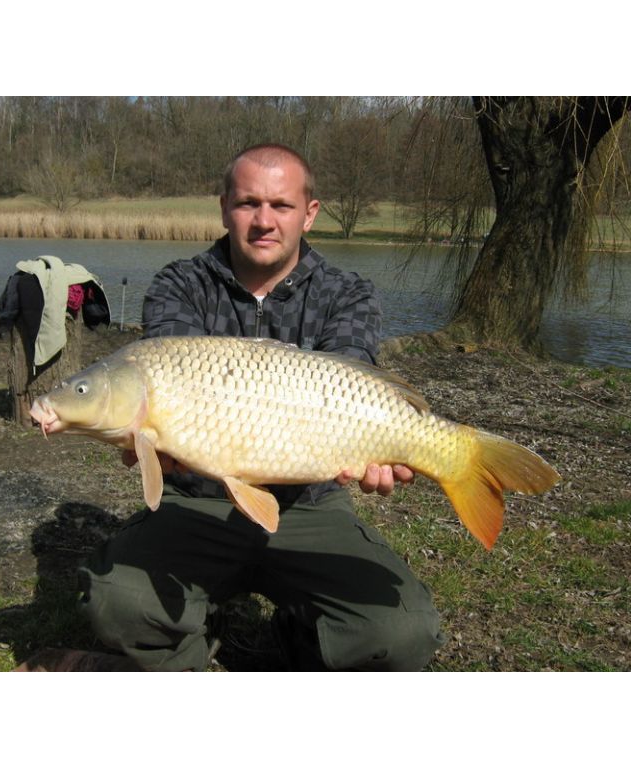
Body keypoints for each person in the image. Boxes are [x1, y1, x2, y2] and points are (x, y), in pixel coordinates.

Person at [72, 144, 444, 671]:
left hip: (310, 502)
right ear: (224, 207)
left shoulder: (348, 293)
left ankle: (300, 636)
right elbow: (159, 390)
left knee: (402, 632)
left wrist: (383, 450)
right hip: (197, 498)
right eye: (248, 203)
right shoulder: (180, 285)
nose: (264, 221)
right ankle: (192, 651)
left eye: (281, 206)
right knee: (116, 604)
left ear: (309, 213)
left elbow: (353, 384)